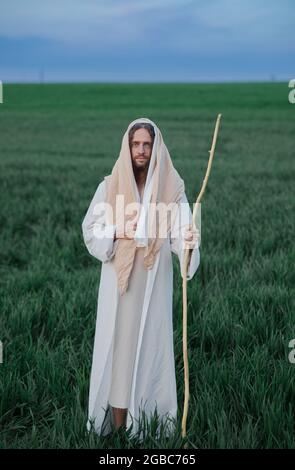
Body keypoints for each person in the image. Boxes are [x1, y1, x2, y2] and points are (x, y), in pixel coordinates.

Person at [82, 117, 200, 442]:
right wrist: (119, 231)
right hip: (119, 288)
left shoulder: (172, 189)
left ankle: (148, 427)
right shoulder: (109, 186)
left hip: (153, 285)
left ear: (156, 147)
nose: (141, 150)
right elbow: (90, 232)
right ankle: (118, 431)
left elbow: (182, 235)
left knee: (150, 350)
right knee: (119, 353)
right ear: (128, 146)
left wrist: (189, 243)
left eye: (147, 144)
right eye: (136, 144)